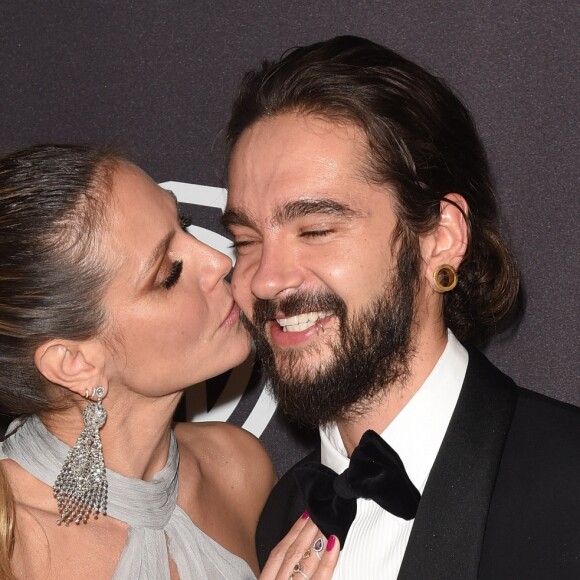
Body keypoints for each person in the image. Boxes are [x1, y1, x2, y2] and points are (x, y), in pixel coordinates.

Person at [222, 36, 580, 579]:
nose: (266, 279)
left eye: (316, 229)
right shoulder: (282, 513)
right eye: (246, 241)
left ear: (439, 237)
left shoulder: (567, 485)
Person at [0, 144, 278, 579]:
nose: (219, 261)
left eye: (184, 225)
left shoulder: (237, 469)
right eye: (167, 274)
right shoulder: (11, 544)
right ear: (74, 362)